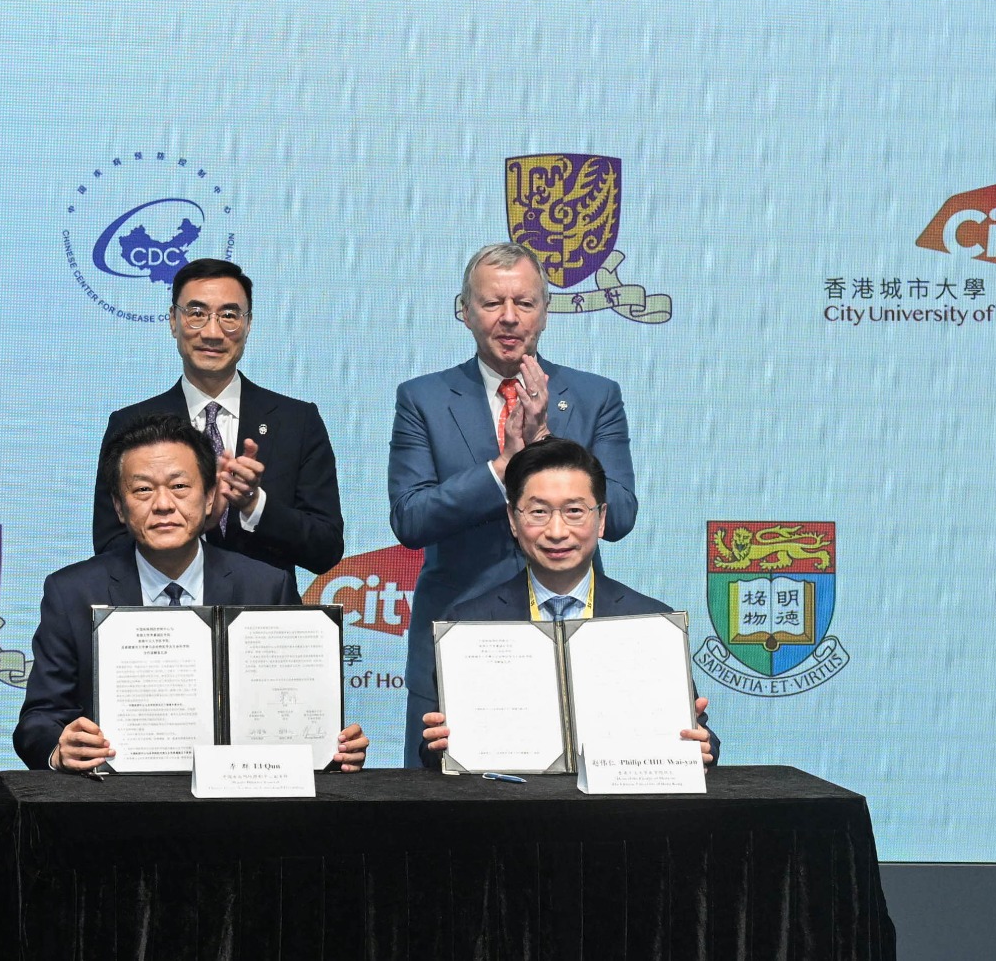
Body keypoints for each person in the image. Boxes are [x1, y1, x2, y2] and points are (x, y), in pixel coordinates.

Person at [387, 242, 638, 764]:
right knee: (437, 802)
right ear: (465, 311)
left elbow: (621, 514)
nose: (508, 317)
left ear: (545, 311)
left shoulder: (596, 397)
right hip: (457, 635)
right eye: (491, 303)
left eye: (524, 303)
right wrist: (503, 468)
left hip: (573, 635)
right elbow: (411, 518)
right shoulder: (423, 399)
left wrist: (544, 444)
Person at [18, 410, 371, 773]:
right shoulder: (72, 593)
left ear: (209, 499)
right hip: (116, 797)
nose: (163, 505)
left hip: (240, 796)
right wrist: (59, 750)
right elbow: (38, 721)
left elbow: (295, 708)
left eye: (179, 486)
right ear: (120, 508)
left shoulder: (266, 586)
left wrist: (334, 749)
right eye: (143, 489)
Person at [412, 436, 712, 770]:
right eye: (538, 512)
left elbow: (698, 736)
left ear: (601, 518)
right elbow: (435, 751)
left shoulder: (653, 621)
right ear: (513, 519)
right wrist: (438, 747)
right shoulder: (467, 625)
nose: (557, 531)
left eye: (574, 512)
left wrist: (701, 744)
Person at [88, 259, 344, 585]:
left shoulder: (296, 421)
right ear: (173, 321)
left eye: (229, 316)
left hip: (266, 612)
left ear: (248, 324)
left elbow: (326, 549)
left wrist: (254, 505)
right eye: (196, 314)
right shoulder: (131, 424)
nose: (212, 332)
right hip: (163, 610)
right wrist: (193, 523)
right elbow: (109, 547)